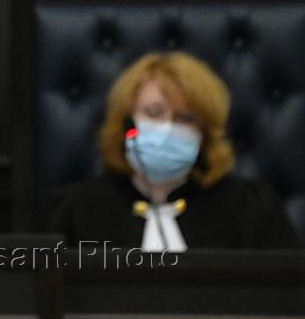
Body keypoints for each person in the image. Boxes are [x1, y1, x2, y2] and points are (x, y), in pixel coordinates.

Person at [48, 51, 300, 250]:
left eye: (185, 118)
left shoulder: (250, 208)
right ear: (126, 125)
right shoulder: (74, 211)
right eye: (153, 113)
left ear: (204, 135)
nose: (167, 129)